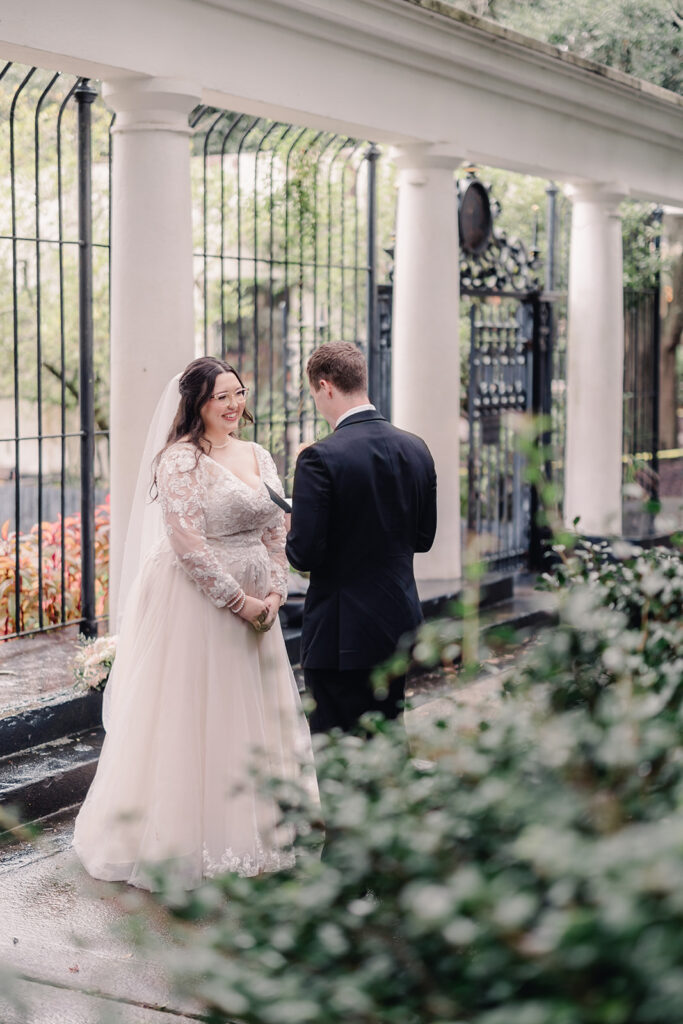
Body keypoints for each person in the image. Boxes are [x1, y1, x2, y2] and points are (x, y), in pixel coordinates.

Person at [73, 357, 317, 890]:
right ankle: (181, 839)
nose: (233, 405)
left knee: (250, 713)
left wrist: (275, 589)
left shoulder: (258, 453)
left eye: (238, 393)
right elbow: (186, 543)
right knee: (195, 714)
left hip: (260, 597)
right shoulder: (180, 461)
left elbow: (278, 527)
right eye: (220, 397)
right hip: (198, 601)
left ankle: (257, 828)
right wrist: (238, 601)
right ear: (197, 405)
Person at [285, 342, 437, 734]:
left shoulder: (319, 458)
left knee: (340, 750)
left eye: (315, 395)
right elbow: (423, 538)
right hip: (398, 624)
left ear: (325, 386)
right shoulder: (416, 447)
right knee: (387, 739)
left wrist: (293, 525)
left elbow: (304, 554)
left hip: (341, 633)